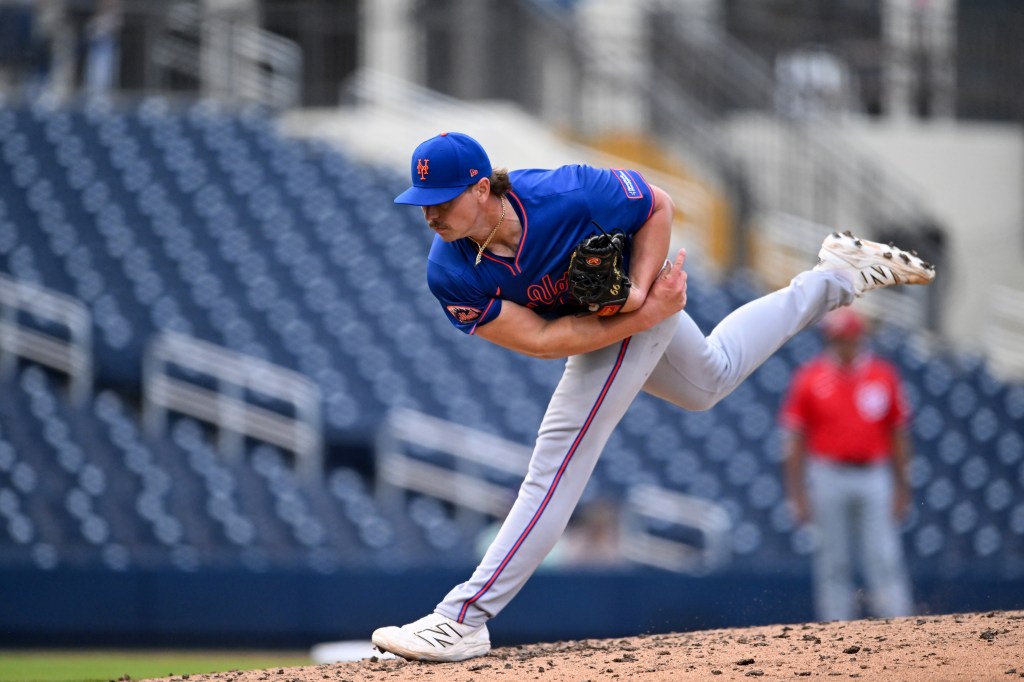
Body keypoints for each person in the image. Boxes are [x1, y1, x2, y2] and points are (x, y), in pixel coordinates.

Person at [372, 131, 934, 662]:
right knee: (709, 379)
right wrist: (644, 312)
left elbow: (658, 205)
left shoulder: (566, 191)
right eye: (422, 201)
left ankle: (464, 617)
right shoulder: (448, 271)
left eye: (442, 199)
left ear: (480, 188)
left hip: (636, 301)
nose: (430, 213)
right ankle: (836, 276)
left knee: (558, 458)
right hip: (613, 321)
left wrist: (641, 294)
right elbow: (542, 340)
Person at [779, 307, 915, 622]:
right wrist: (797, 493)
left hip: (873, 473)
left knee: (882, 556)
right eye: (837, 339)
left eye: (849, 339)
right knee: (832, 559)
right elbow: (794, 440)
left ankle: (898, 627)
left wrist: (903, 486)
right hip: (828, 473)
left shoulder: (883, 375)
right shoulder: (810, 377)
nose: (844, 345)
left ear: (860, 338)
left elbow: (898, 435)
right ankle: (836, 632)